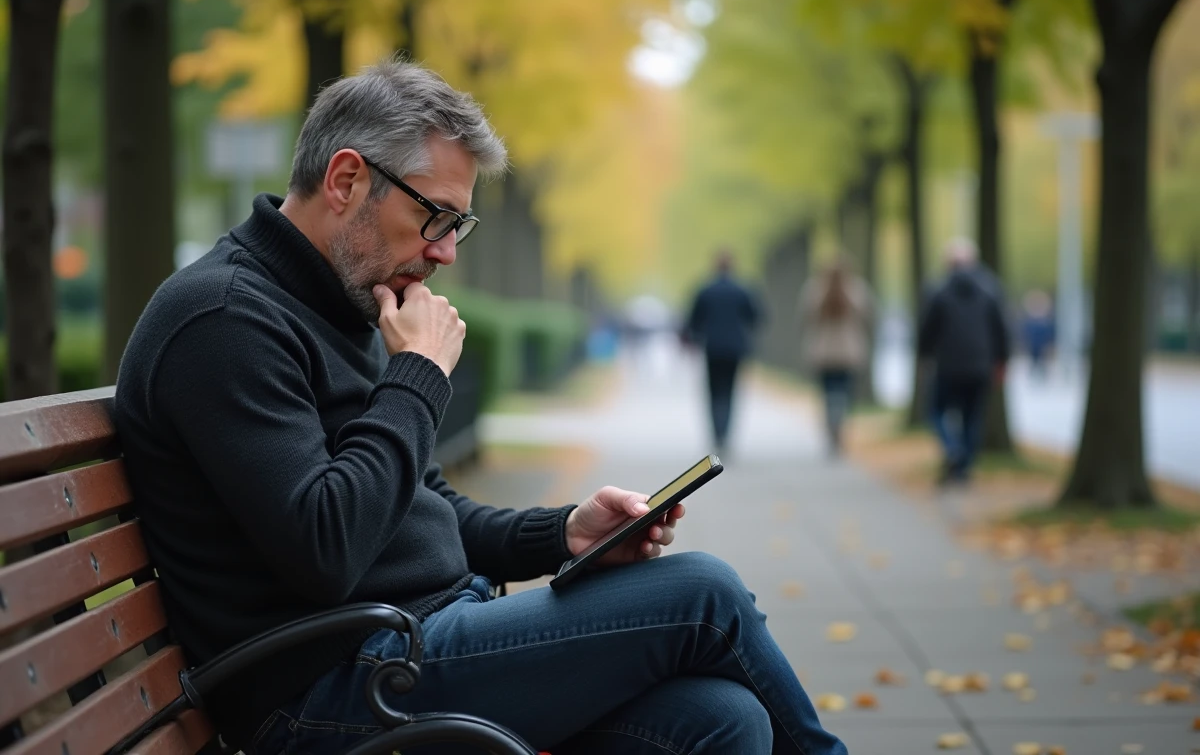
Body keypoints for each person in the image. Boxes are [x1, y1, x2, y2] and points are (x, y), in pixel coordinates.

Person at [113, 60, 845, 755]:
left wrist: (564, 534)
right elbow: (326, 550)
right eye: (435, 216)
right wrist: (418, 375)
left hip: (410, 646)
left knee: (722, 719)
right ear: (346, 180)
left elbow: (423, 509)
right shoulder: (223, 319)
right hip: (327, 688)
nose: (445, 253)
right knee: (703, 593)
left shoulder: (342, 301)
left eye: (458, 226)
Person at [917, 237, 1010, 486]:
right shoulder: (990, 289)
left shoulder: (938, 290)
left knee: (936, 411)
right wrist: (1002, 361)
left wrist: (924, 356)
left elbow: (927, 330)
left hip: (948, 366)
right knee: (972, 418)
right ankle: (964, 468)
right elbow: (1002, 329)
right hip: (980, 366)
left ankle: (952, 448)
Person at [682, 250, 763, 454]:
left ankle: (717, 433)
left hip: (712, 347)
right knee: (729, 391)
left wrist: (697, 336)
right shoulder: (742, 290)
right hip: (735, 348)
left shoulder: (706, 290)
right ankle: (725, 433)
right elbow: (755, 316)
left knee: (714, 391)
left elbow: (693, 319)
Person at [798, 255, 873, 457]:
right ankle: (839, 429)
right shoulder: (856, 289)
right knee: (844, 393)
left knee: (828, 394)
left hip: (823, 352)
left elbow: (806, 316)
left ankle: (831, 430)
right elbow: (867, 314)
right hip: (848, 352)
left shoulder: (814, 289)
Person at [1020, 289, 1055, 380]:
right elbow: (1025, 334)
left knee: (1042, 362)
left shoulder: (1045, 322)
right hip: (1033, 346)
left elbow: (1049, 334)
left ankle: (1042, 376)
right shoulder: (1030, 321)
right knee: (1034, 362)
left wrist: (1049, 344)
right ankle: (1034, 376)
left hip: (1042, 346)